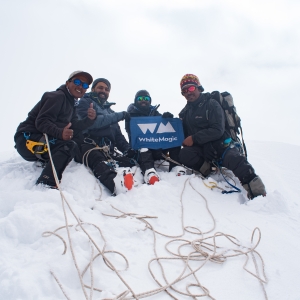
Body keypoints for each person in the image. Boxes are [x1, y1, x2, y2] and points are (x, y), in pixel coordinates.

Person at [178, 74, 266, 199]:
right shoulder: (186, 112)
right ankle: (208, 169)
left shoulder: (212, 104)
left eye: (191, 88)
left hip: (221, 144)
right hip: (202, 149)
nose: (188, 92)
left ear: (199, 87)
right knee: (184, 154)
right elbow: (184, 135)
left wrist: (195, 138)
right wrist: (168, 120)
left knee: (235, 159)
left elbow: (217, 129)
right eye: (184, 90)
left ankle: (258, 193)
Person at [14, 71, 96, 188]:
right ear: (67, 83)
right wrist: (60, 133)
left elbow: (74, 125)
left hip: (40, 141)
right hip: (27, 140)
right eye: (77, 82)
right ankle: (46, 183)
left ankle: (48, 163)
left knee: (77, 138)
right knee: (69, 145)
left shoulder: (71, 104)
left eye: (84, 85)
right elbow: (41, 121)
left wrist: (89, 119)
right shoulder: (57, 96)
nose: (80, 86)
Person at [76, 78, 136, 195]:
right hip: (89, 144)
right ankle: (114, 183)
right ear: (93, 89)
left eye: (107, 89)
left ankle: (127, 174)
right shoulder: (85, 102)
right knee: (97, 159)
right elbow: (91, 123)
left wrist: (128, 149)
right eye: (100, 87)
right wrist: (120, 115)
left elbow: (118, 137)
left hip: (108, 149)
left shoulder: (110, 112)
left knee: (130, 161)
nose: (103, 91)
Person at [125, 90, 184, 185]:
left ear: (150, 101)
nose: (143, 100)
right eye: (140, 98)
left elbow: (167, 131)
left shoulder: (155, 114)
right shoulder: (130, 116)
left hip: (158, 149)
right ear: (135, 101)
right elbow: (131, 133)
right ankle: (149, 172)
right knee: (143, 146)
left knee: (174, 139)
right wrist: (128, 121)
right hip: (141, 151)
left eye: (146, 98)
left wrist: (168, 119)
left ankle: (175, 166)